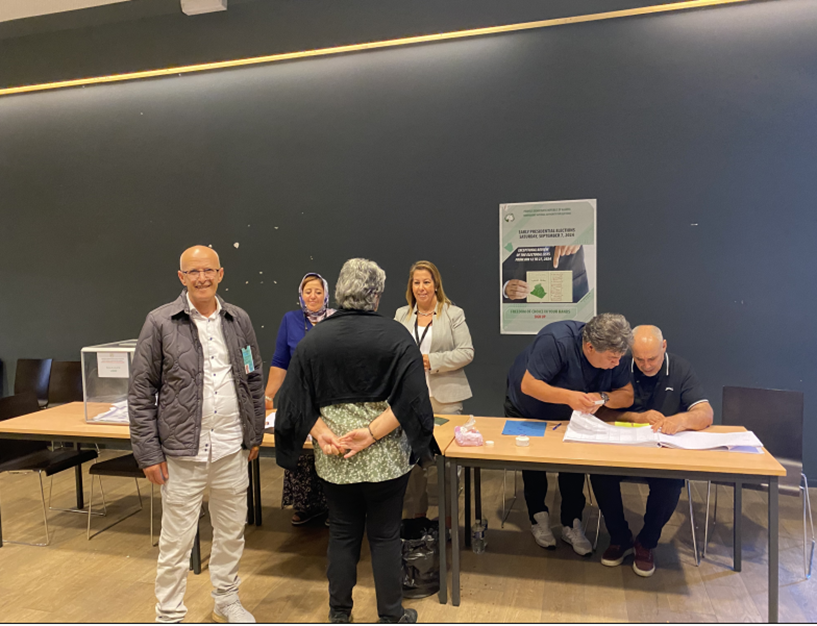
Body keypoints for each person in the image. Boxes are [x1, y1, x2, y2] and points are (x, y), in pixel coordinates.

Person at [275, 258, 436, 624]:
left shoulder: (314, 339)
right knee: (384, 536)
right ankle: (392, 615)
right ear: (376, 296)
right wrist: (372, 432)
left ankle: (339, 614)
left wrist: (322, 432)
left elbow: (291, 400)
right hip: (385, 458)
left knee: (343, 537)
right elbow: (413, 400)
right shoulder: (397, 336)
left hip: (335, 457)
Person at [129, 245, 265, 624]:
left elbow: (253, 380)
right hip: (181, 453)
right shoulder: (159, 322)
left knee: (231, 533)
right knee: (176, 543)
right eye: (193, 272)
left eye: (208, 270)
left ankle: (226, 598)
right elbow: (140, 393)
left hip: (231, 449)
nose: (202, 277)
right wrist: (148, 453)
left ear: (221, 273)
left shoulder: (239, 320)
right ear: (181, 278)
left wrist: (253, 435)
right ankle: (169, 614)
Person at [505, 313, 634, 555]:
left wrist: (603, 398)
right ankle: (538, 517)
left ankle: (572, 522)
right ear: (589, 347)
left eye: (619, 358)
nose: (616, 364)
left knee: (574, 463)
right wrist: (569, 396)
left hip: (573, 414)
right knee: (533, 462)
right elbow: (529, 385)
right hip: (529, 406)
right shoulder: (556, 340)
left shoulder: (618, 350)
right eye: (611, 359)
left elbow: (627, 393)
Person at [591, 325, 713, 577]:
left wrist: (679, 421)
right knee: (600, 474)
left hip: (663, 450)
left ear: (664, 347)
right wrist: (637, 417)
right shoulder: (619, 366)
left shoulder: (680, 368)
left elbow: (705, 413)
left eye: (652, 358)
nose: (646, 365)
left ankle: (646, 542)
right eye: (639, 359)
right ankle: (619, 537)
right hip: (623, 445)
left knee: (671, 483)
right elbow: (600, 410)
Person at [395, 260, 473, 519]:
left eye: (426, 282)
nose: (421, 287)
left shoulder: (453, 313)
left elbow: (466, 352)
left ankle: (448, 521)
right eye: (416, 282)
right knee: (412, 463)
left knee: (447, 463)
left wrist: (430, 361)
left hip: (447, 397)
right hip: (411, 399)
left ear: (436, 284)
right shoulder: (401, 315)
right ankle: (416, 519)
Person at [264, 273, 334, 525]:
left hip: (330, 397)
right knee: (302, 452)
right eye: (308, 291)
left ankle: (333, 507)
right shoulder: (290, 320)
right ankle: (306, 505)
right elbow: (280, 361)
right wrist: (269, 395)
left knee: (328, 448)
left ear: (326, 294)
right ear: (300, 295)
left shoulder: (337, 319)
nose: (312, 296)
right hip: (299, 396)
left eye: (317, 291)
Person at [502, 245, 588, 303]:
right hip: (518, 308)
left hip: (572, 284)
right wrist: (504, 288)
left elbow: (591, 222)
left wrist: (577, 232)